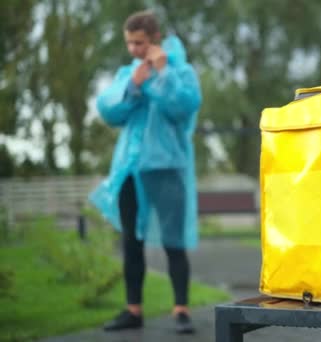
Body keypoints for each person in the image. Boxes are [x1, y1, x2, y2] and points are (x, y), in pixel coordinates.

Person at [89, 10, 202, 334]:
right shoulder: (129, 72)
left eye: (138, 42)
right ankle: (133, 310)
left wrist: (162, 73)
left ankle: (181, 310)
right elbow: (109, 111)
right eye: (129, 43)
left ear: (154, 39)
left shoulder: (181, 72)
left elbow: (183, 107)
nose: (134, 49)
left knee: (173, 241)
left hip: (166, 168)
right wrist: (134, 87)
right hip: (130, 169)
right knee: (130, 242)